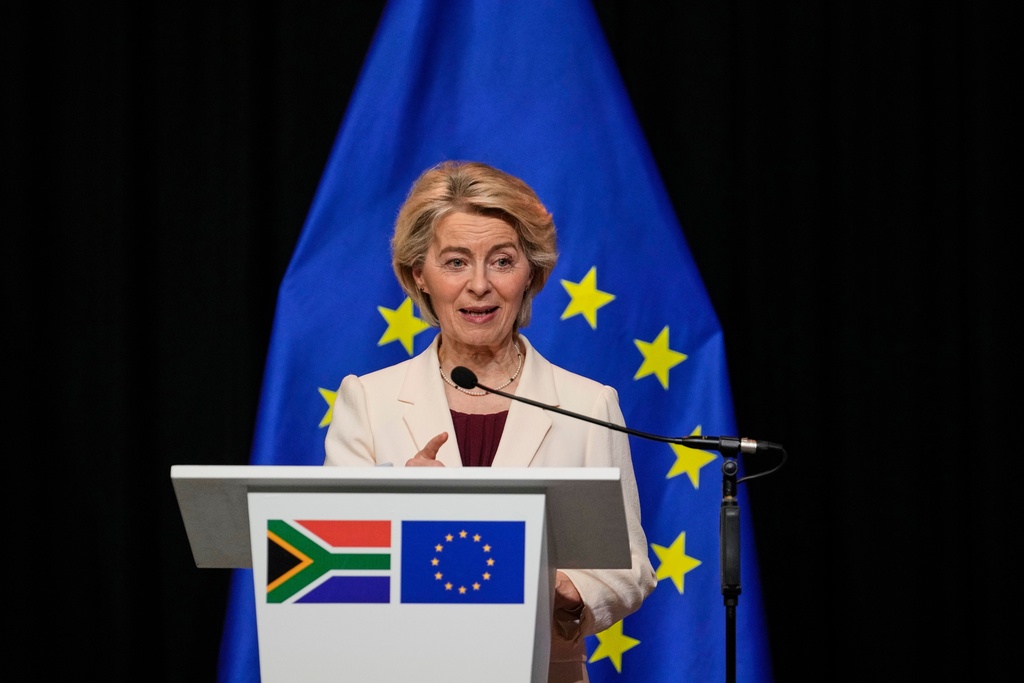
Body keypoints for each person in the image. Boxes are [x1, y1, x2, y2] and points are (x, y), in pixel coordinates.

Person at [324, 160, 656, 683]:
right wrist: (398, 509)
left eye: (501, 261)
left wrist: (555, 587)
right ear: (419, 276)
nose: (479, 285)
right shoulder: (368, 400)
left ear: (531, 275)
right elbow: (332, 566)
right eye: (455, 263)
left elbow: (630, 567)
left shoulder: (588, 404)